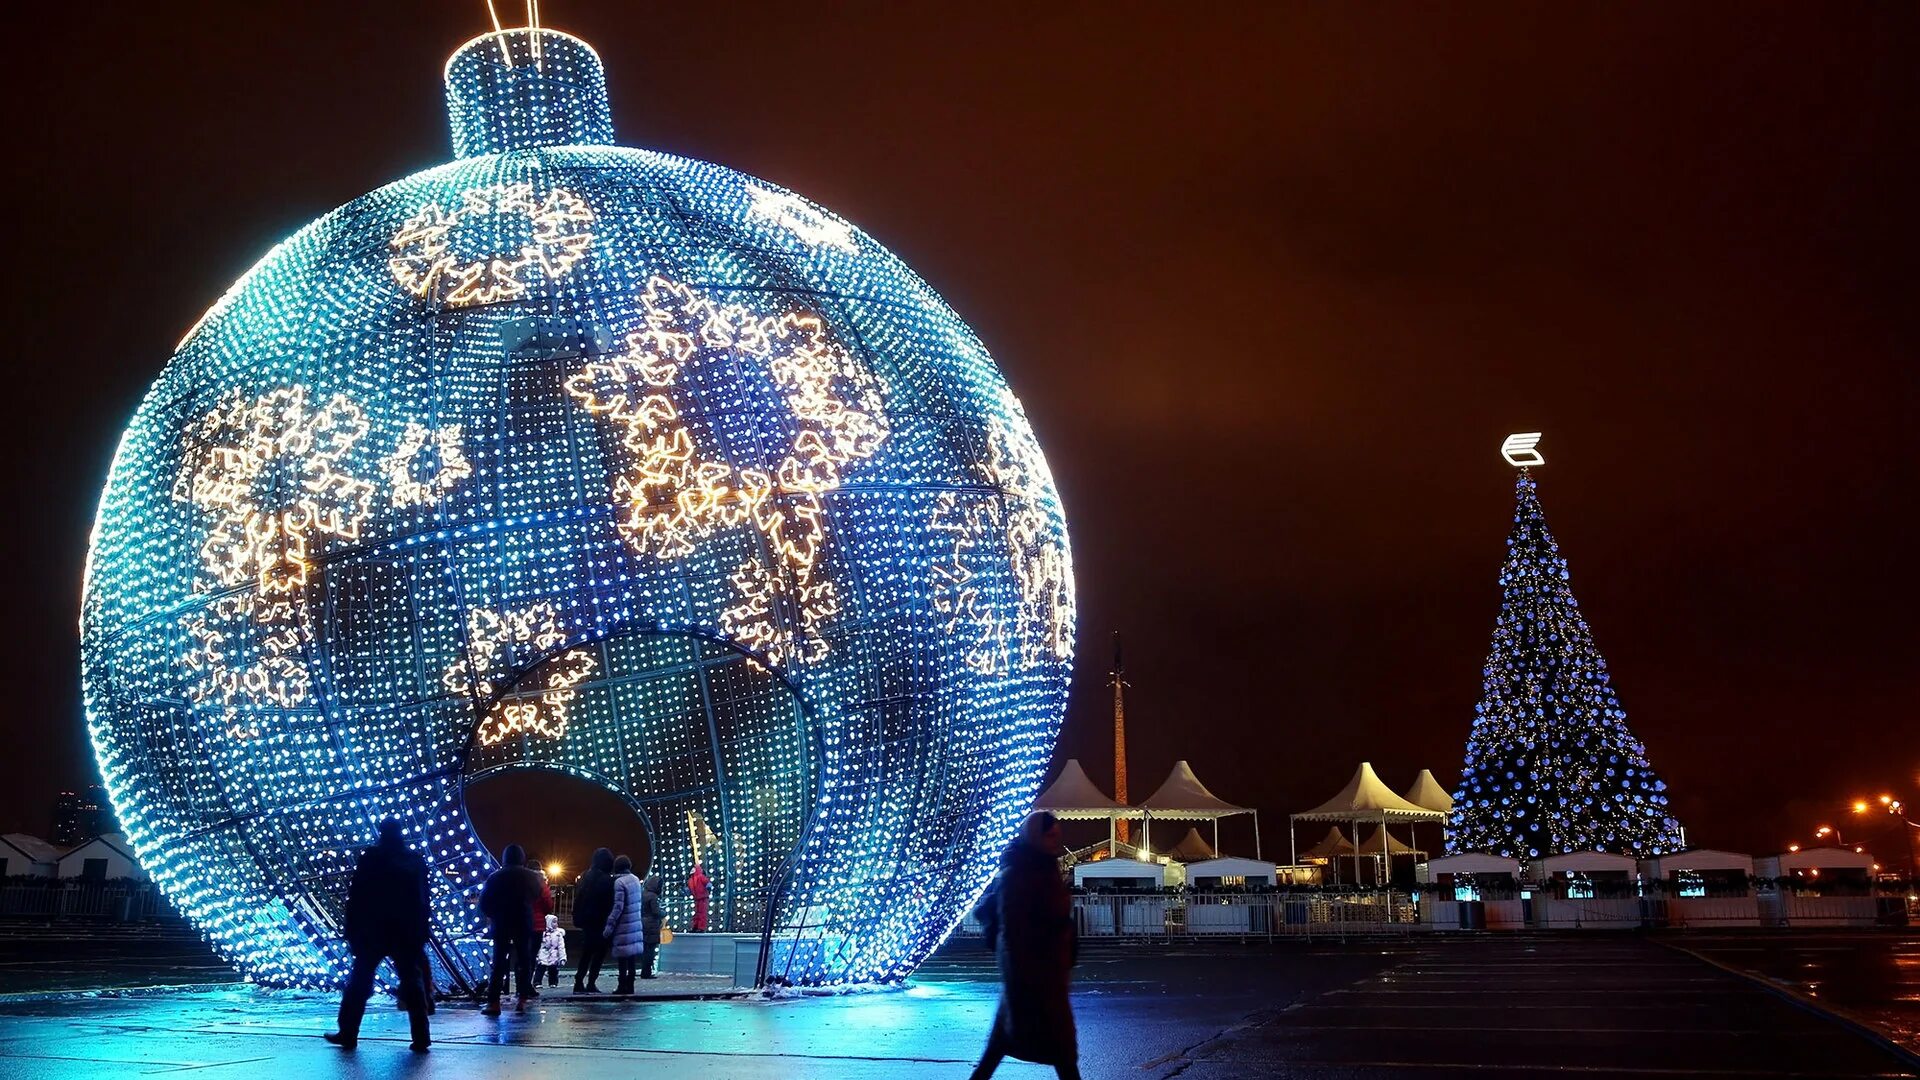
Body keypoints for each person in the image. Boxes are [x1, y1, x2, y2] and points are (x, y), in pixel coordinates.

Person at [969, 811, 1080, 1080]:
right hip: (1034, 977)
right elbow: (1015, 931)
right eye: (1050, 836)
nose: (1055, 841)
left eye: (1058, 836)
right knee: (1062, 1051)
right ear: (1035, 836)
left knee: (999, 1048)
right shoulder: (1022, 874)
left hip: (1041, 975)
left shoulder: (1041, 866)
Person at [325, 818, 431, 1053]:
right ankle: (422, 1036)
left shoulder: (372, 858)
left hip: (373, 930)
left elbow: (357, 896)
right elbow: (424, 898)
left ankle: (348, 1032)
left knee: (359, 982)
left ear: (381, 833)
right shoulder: (414, 860)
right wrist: (423, 929)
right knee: (412, 982)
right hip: (407, 930)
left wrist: (350, 928)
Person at [478, 843, 543, 1015]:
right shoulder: (533, 877)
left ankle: (494, 1002)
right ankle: (522, 999)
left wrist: (494, 914)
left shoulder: (495, 877)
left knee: (499, 962)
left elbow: (484, 902)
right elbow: (537, 895)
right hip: (523, 920)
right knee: (524, 960)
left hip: (502, 921)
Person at [572, 847, 616, 993]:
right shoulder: (607, 881)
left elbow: (578, 898)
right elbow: (610, 902)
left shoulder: (585, 876)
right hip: (601, 920)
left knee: (586, 952)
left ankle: (579, 981)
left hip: (587, 919)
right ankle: (591, 981)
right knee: (599, 953)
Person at [603, 856, 645, 994]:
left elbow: (618, 906)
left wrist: (609, 925)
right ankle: (631, 986)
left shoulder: (619, 882)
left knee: (622, 958)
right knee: (632, 957)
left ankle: (622, 985)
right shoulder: (635, 880)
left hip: (624, 925)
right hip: (635, 923)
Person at [639, 874, 665, 979]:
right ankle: (646, 972)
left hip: (643, 923)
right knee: (650, 950)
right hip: (651, 925)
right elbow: (656, 912)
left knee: (646, 949)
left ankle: (644, 971)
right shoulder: (653, 897)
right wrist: (663, 913)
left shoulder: (642, 894)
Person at [536, 914, 567, 987]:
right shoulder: (543, 933)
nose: (556, 924)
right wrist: (537, 955)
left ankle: (553, 982)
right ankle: (537, 982)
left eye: (556, 922)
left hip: (554, 954)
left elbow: (561, 946)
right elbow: (539, 945)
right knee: (541, 968)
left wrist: (562, 957)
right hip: (543, 953)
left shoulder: (558, 934)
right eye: (553, 922)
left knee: (553, 969)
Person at [687, 863, 710, 932]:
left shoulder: (690, 880)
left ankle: (695, 926)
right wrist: (709, 890)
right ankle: (701, 927)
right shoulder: (701, 877)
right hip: (703, 897)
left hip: (696, 898)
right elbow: (708, 884)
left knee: (697, 913)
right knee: (702, 913)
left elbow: (689, 890)